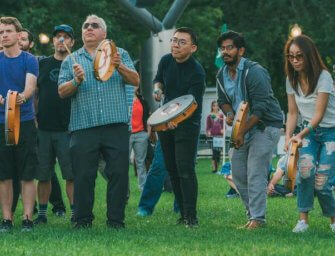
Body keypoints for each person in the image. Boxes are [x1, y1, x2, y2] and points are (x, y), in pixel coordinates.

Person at [58, 14, 139, 229]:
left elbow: (136, 80)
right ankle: (83, 220)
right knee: (83, 175)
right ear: (82, 33)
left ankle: (116, 221)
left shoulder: (120, 54)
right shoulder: (71, 59)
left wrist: (119, 66)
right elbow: (62, 92)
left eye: (95, 26)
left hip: (115, 125)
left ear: (104, 33)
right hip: (83, 126)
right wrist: (76, 80)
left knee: (119, 174)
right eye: (86, 26)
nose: (89, 29)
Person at [217, 31, 283, 229]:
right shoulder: (221, 74)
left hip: (265, 126)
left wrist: (240, 132)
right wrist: (229, 114)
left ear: (241, 50)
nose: (225, 52)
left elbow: (260, 109)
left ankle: (258, 219)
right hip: (242, 127)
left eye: (230, 47)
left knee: (255, 171)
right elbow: (223, 101)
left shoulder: (255, 72)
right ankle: (252, 216)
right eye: (222, 48)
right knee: (237, 172)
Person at [11, 27, 67, 218]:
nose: (20, 42)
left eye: (24, 39)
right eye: (18, 38)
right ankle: (35, 211)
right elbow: (33, 92)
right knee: (35, 170)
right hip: (30, 124)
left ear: (31, 43)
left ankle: (61, 207)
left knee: (58, 171)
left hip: (54, 125)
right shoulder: (32, 63)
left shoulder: (39, 62)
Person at [153, 27, 206, 227]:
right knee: (172, 169)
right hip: (166, 121)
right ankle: (182, 214)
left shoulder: (197, 71)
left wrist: (179, 118)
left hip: (188, 123)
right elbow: (158, 80)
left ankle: (191, 217)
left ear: (193, 48)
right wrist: (157, 90)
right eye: (174, 40)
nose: (175, 45)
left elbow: (193, 103)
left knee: (185, 169)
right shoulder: (166, 61)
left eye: (181, 42)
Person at [284, 34, 335, 233]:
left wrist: (299, 135)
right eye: (291, 56)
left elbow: (319, 115)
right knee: (305, 173)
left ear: (309, 56)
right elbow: (292, 112)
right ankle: (303, 220)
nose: (295, 61)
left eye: (299, 56)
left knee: (322, 181)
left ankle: (333, 221)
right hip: (308, 134)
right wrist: (289, 137)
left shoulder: (324, 77)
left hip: (330, 132)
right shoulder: (291, 79)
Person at [0, 16, 39, 232]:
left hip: (24, 121)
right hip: (0, 121)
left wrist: (18, 99)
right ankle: (7, 219)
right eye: (0, 32)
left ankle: (27, 218)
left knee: (26, 173)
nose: (4, 35)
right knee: (4, 173)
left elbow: (30, 88)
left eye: (7, 31)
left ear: (18, 34)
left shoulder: (29, 59)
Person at [34, 24, 75, 225]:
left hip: (68, 129)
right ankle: (42, 214)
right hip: (43, 128)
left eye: (66, 37)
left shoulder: (76, 65)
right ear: (53, 41)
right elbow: (35, 93)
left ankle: (75, 213)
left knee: (71, 174)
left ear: (72, 42)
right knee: (43, 174)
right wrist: (33, 117)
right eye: (58, 36)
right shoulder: (42, 64)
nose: (61, 40)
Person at [129, 87, 151, 190]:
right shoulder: (124, 99)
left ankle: (143, 187)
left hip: (141, 135)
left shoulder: (142, 100)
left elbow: (148, 117)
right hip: (127, 135)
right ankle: (124, 190)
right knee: (123, 163)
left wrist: (148, 133)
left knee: (140, 163)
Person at [206, 100, 224, 173]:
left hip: (220, 137)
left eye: (217, 105)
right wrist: (208, 132)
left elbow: (223, 125)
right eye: (214, 105)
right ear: (212, 107)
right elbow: (208, 126)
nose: (215, 107)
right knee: (214, 153)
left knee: (218, 153)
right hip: (213, 137)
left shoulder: (221, 115)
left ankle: (217, 168)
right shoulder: (209, 116)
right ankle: (214, 169)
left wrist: (223, 130)